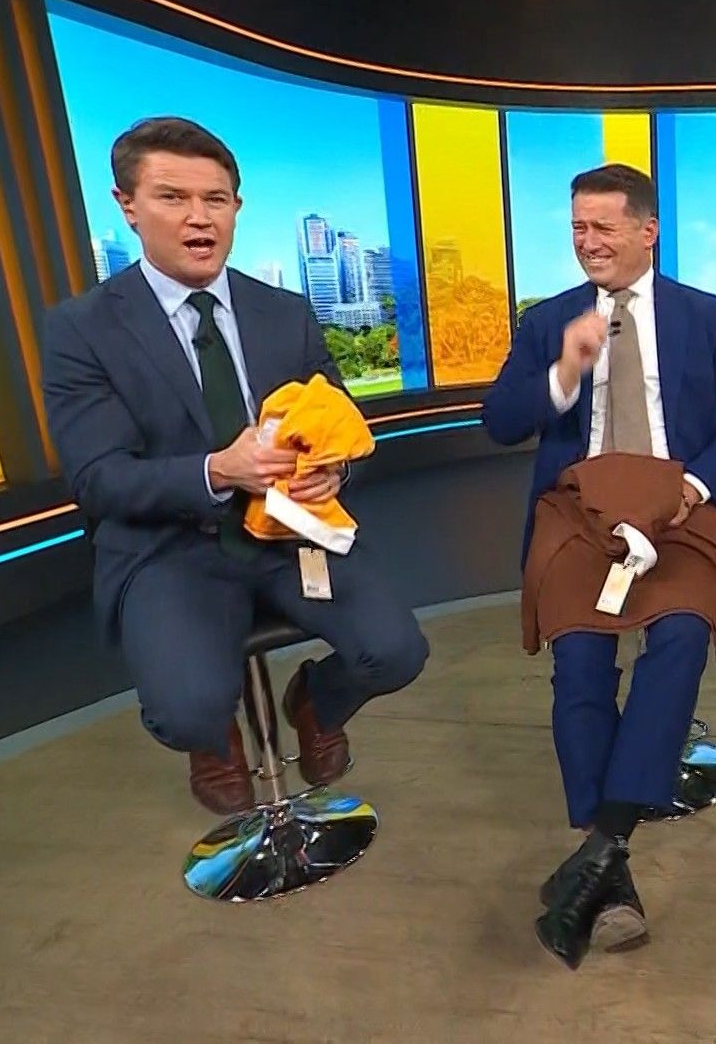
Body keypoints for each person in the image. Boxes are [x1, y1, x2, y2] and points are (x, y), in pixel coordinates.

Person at [39, 117, 430, 816]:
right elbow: (98, 480)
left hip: (291, 536)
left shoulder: (284, 312)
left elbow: (341, 425)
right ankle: (212, 732)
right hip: (171, 548)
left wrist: (334, 472)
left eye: (215, 199)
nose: (199, 217)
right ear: (128, 206)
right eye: (172, 197)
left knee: (396, 652)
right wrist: (218, 471)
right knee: (186, 709)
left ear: (236, 208)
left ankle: (314, 703)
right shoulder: (82, 329)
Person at [481, 163, 716, 969]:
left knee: (679, 640)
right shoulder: (550, 321)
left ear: (648, 231)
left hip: (684, 510)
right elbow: (499, 421)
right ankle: (607, 869)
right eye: (577, 227)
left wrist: (692, 488)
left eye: (603, 227)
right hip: (578, 515)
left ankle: (598, 850)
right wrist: (564, 372)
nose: (588, 242)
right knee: (579, 662)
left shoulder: (706, 317)